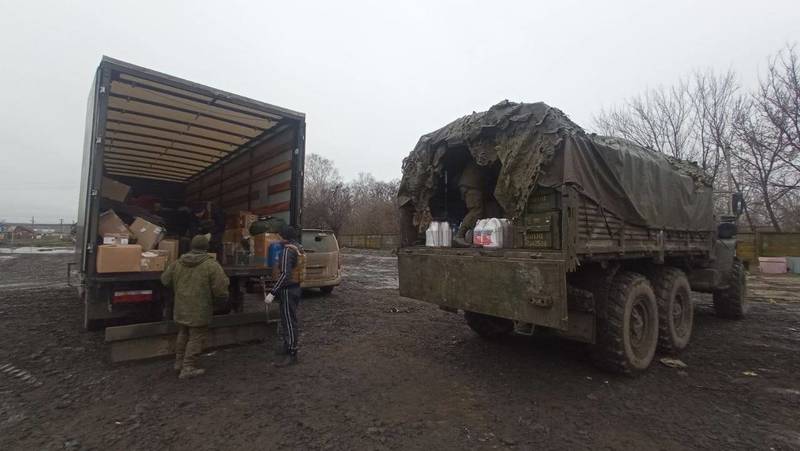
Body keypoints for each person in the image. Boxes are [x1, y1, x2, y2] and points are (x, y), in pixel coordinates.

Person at [161, 235, 230, 379]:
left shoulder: (178, 262)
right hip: (200, 307)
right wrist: (221, 301)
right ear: (206, 248)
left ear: (192, 246)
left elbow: (165, 280)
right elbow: (221, 289)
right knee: (196, 336)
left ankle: (179, 363)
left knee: (183, 332)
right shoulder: (211, 265)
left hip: (181, 306)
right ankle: (188, 367)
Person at [265, 225, 305, 367]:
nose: (277, 238)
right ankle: (287, 346)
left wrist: (272, 292)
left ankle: (292, 354)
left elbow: (285, 274)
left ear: (284, 237)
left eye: (279, 235)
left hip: (288, 290)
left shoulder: (287, 251)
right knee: (288, 319)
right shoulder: (298, 247)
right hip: (296, 288)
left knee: (289, 321)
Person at [453, 160, 487, 247]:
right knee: (476, 211)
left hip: (468, 185)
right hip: (472, 186)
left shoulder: (475, 158)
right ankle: (459, 235)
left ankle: (472, 238)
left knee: (475, 212)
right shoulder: (483, 157)